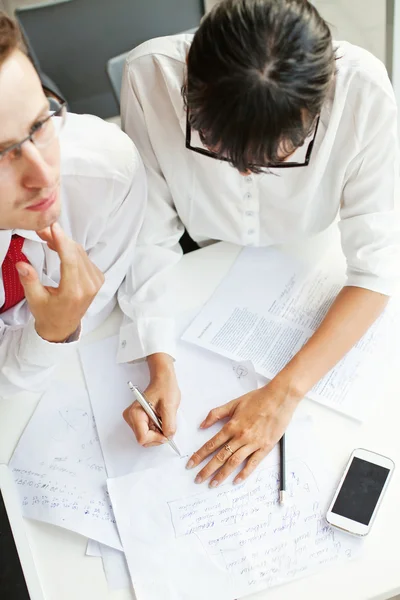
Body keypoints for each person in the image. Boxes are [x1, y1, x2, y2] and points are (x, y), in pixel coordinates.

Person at [120, 0, 400, 486]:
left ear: (319, 108)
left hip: (311, 256)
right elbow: (148, 233)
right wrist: (158, 360)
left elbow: (377, 265)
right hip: (202, 262)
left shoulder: (365, 93)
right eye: (216, 149)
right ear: (189, 87)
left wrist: (284, 394)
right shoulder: (149, 76)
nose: (245, 172)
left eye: (273, 159)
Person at [0, 13, 147, 395]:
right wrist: (50, 332)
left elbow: (94, 309)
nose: (45, 176)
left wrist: (56, 331)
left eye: (40, 125)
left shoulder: (109, 172)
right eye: (0, 156)